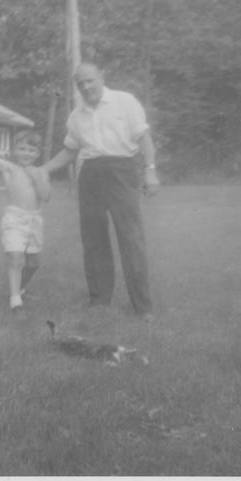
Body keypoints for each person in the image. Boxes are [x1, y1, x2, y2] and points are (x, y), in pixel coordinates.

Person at [44, 62, 160, 320]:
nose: (86, 86)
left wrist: (150, 170)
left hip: (122, 170)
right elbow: (70, 150)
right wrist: (45, 169)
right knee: (93, 239)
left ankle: (143, 307)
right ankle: (99, 301)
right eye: (80, 83)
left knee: (131, 238)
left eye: (90, 81)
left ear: (101, 78)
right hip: (90, 175)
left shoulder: (124, 101)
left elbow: (144, 139)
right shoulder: (76, 115)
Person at [0, 130, 51, 313]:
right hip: (14, 218)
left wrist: (36, 179)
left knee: (34, 262)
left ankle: (20, 289)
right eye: (22, 148)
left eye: (31, 150)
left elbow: (46, 196)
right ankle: (15, 301)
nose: (26, 153)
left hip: (34, 219)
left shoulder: (41, 172)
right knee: (16, 257)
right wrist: (2, 154)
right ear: (14, 151)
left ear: (37, 153)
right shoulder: (9, 168)